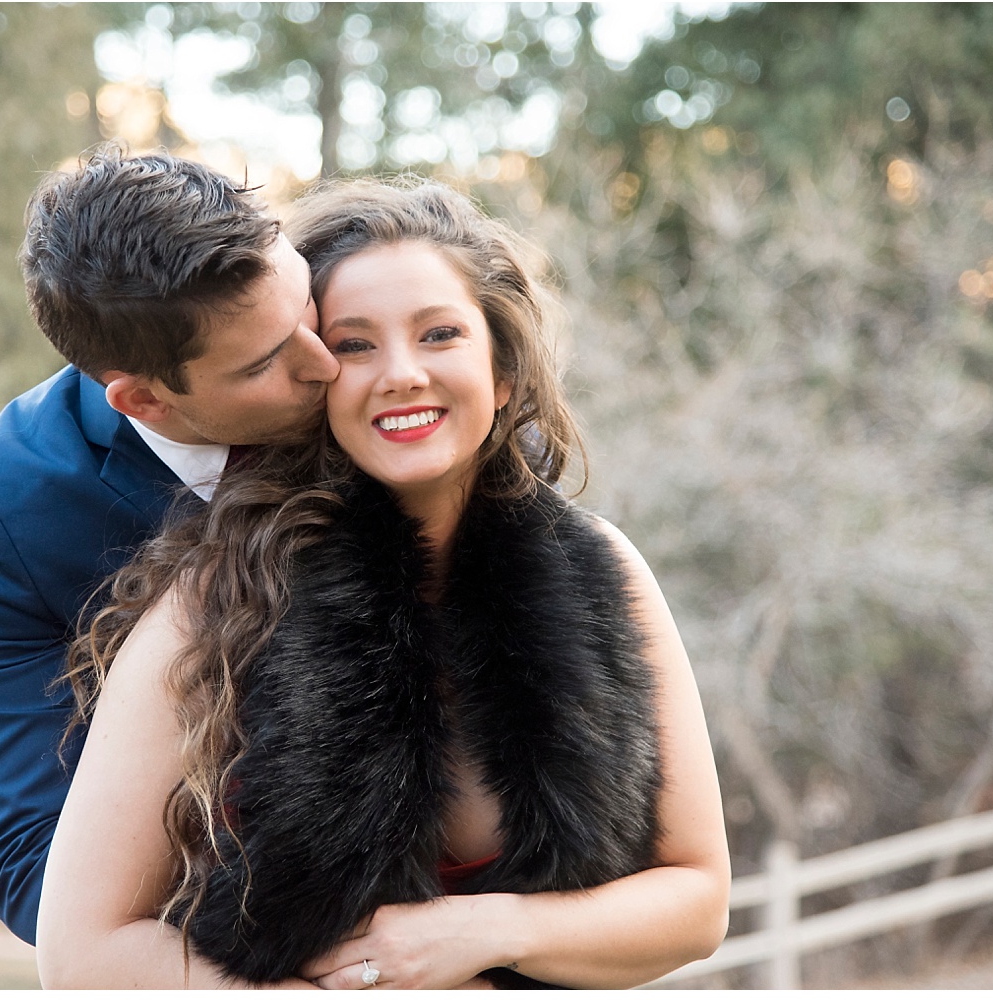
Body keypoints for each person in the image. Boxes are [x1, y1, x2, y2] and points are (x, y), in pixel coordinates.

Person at [36, 177, 731, 989]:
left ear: (501, 370)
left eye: (439, 334)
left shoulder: (604, 569)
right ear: (313, 378)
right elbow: (84, 954)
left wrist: (484, 931)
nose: (401, 373)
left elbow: (698, 897)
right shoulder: (216, 599)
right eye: (357, 344)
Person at [0, 144, 339, 946]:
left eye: (306, 306)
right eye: (263, 362)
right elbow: (29, 864)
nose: (327, 365)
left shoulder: (369, 324)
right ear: (143, 400)